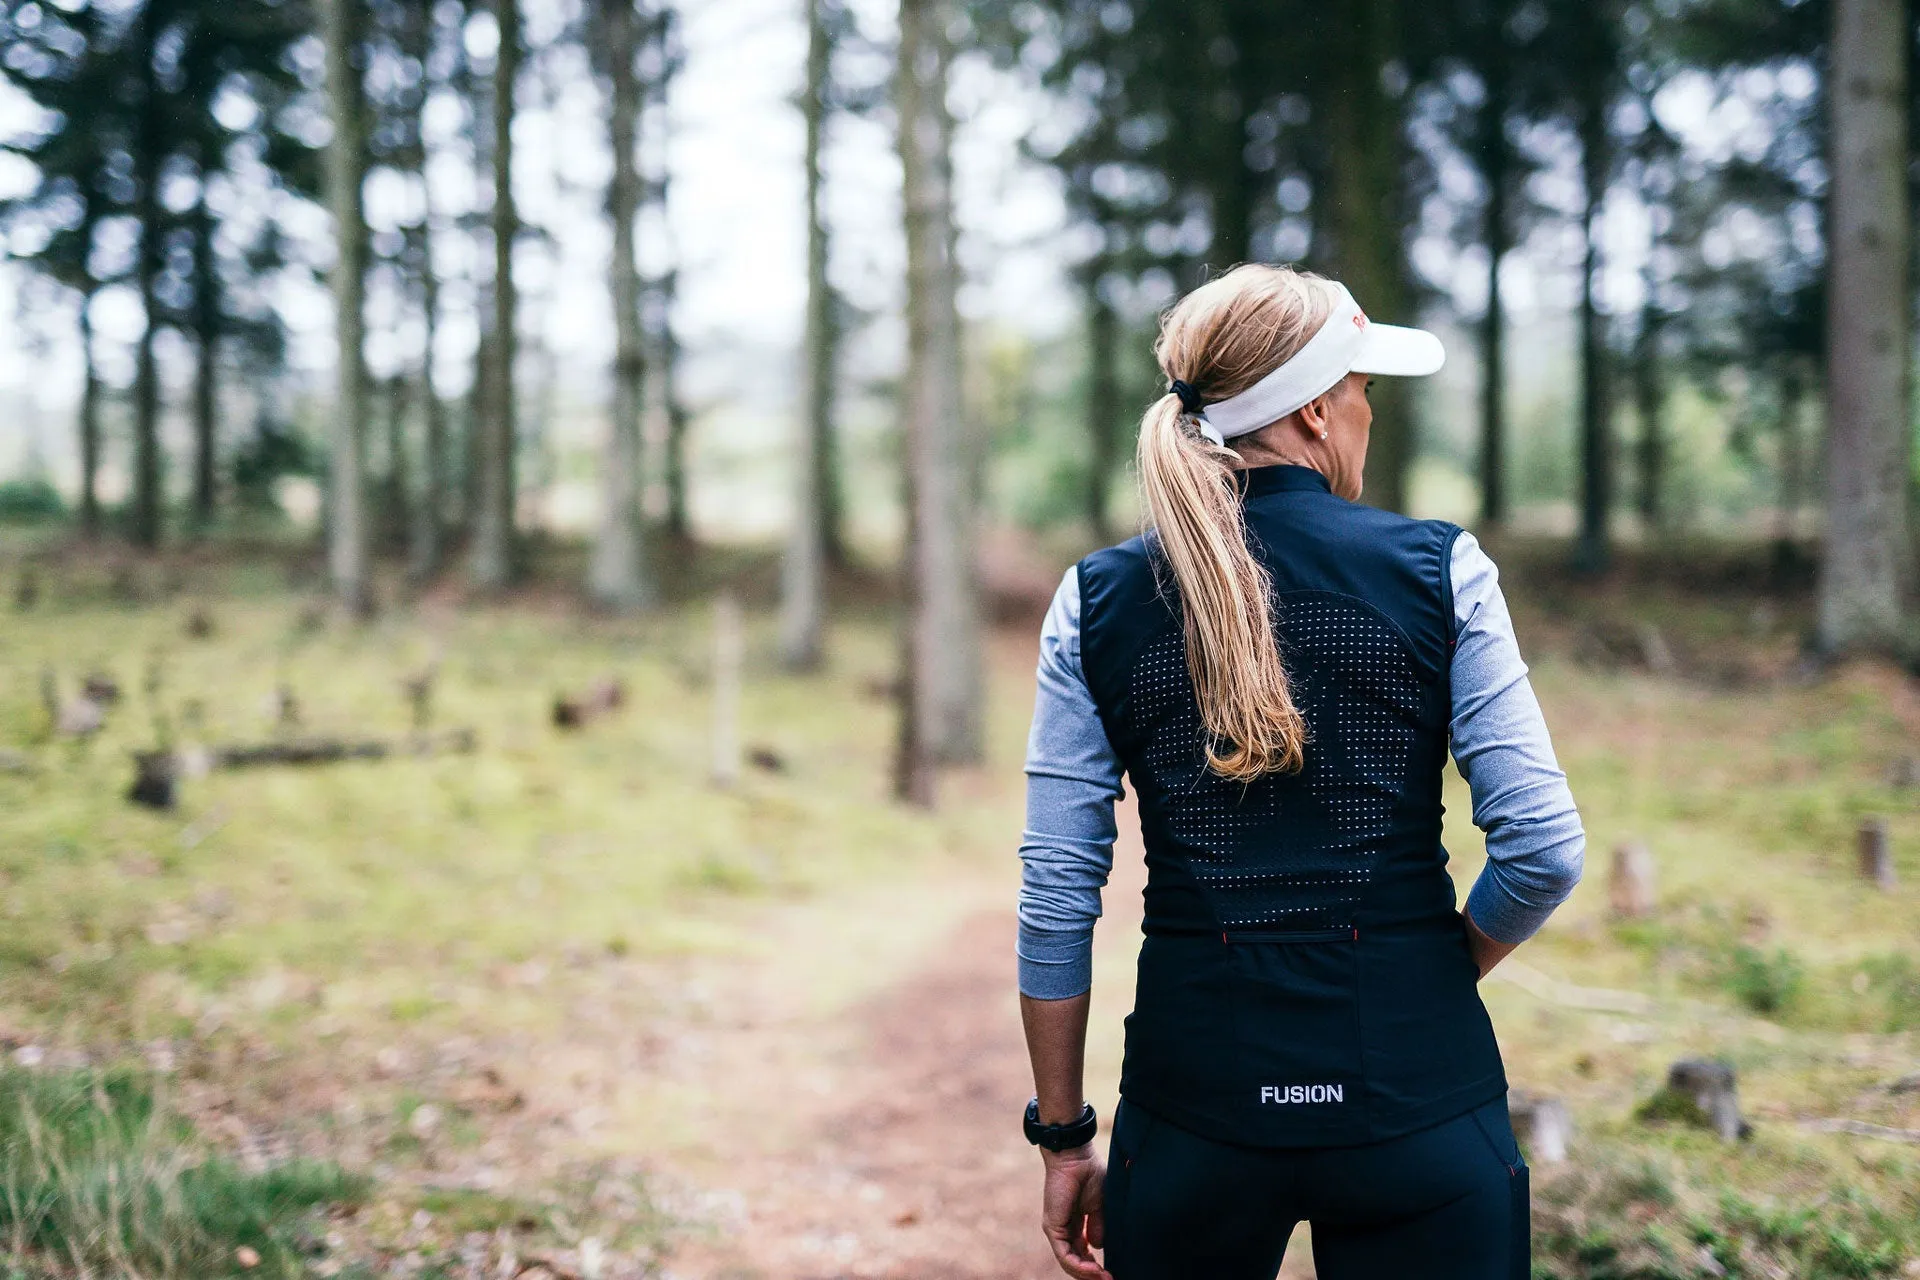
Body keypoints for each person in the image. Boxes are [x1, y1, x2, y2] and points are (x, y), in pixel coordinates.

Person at [1015, 265, 1584, 1280]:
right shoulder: (1441, 569)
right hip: (1424, 1104)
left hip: (1192, 1118)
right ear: (1317, 410)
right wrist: (1432, 973)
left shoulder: (1095, 599)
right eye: (1364, 387)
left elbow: (1057, 894)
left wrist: (1063, 1138)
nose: (1368, 410)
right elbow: (1541, 849)